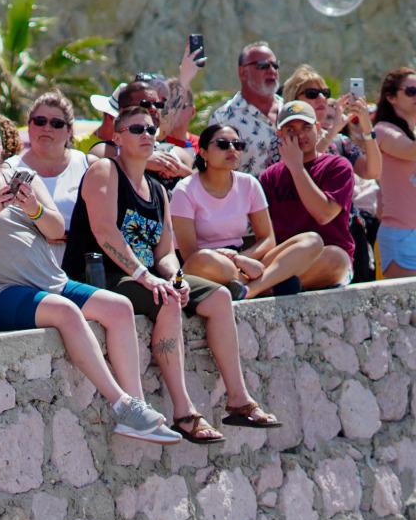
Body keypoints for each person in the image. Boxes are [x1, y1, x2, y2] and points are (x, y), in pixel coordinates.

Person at [0, 112, 177, 444]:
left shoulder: (23, 177)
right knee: (65, 312)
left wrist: (33, 207)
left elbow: (53, 229)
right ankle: (120, 404)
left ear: (1, 146)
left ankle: (137, 408)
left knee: (119, 307)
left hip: (51, 282)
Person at [64, 106, 280, 444]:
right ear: (117, 137)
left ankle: (238, 400)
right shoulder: (105, 171)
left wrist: (176, 279)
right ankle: (183, 411)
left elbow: (164, 252)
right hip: (99, 276)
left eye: (151, 129)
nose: (147, 135)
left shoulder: (158, 190)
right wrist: (147, 277)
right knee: (163, 299)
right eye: (136, 129)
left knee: (218, 296)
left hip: (145, 276)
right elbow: (105, 232)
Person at [171, 124, 321, 297]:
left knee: (312, 240)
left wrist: (242, 259)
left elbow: (267, 239)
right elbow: (190, 254)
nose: (232, 149)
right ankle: (270, 283)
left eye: (238, 145)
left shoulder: (248, 183)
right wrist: (235, 261)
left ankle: (249, 290)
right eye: (222, 144)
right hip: (206, 265)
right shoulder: (185, 190)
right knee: (203, 259)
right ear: (203, 152)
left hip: (246, 260)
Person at [258, 101, 356, 289]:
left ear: (318, 128)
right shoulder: (270, 176)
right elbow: (265, 235)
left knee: (336, 258)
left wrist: (296, 167)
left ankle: (265, 287)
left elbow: (324, 214)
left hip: (326, 259)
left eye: (306, 127)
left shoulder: (337, 166)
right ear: (280, 134)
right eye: (291, 130)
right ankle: (272, 284)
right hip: (283, 260)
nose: (300, 135)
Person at [14, 92, 91, 265]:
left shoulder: (88, 166)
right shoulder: (10, 169)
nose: (47, 128)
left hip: (80, 267)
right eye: (40, 121)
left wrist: (69, 236)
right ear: (29, 125)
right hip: (26, 268)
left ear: (69, 131)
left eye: (56, 123)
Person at [283, 66, 380, 180]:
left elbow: (372, 172)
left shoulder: (340, 141)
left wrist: (367, 125)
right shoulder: (285, 138)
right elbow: (300, 172)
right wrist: (332, 131)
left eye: (325, 93)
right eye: (312, 93)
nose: (321, 98)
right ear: (294, 99)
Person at [211, 42, 284, 175]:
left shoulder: (290, 109)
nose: (272, 70)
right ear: (243, 72)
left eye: (275, 65)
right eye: (263, 65)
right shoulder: (223, 118)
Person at [374, 68, 416, 279]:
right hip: (401, 236)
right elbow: (411, 151)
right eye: (411, 91)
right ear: (390, 97)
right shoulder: (382, 130)